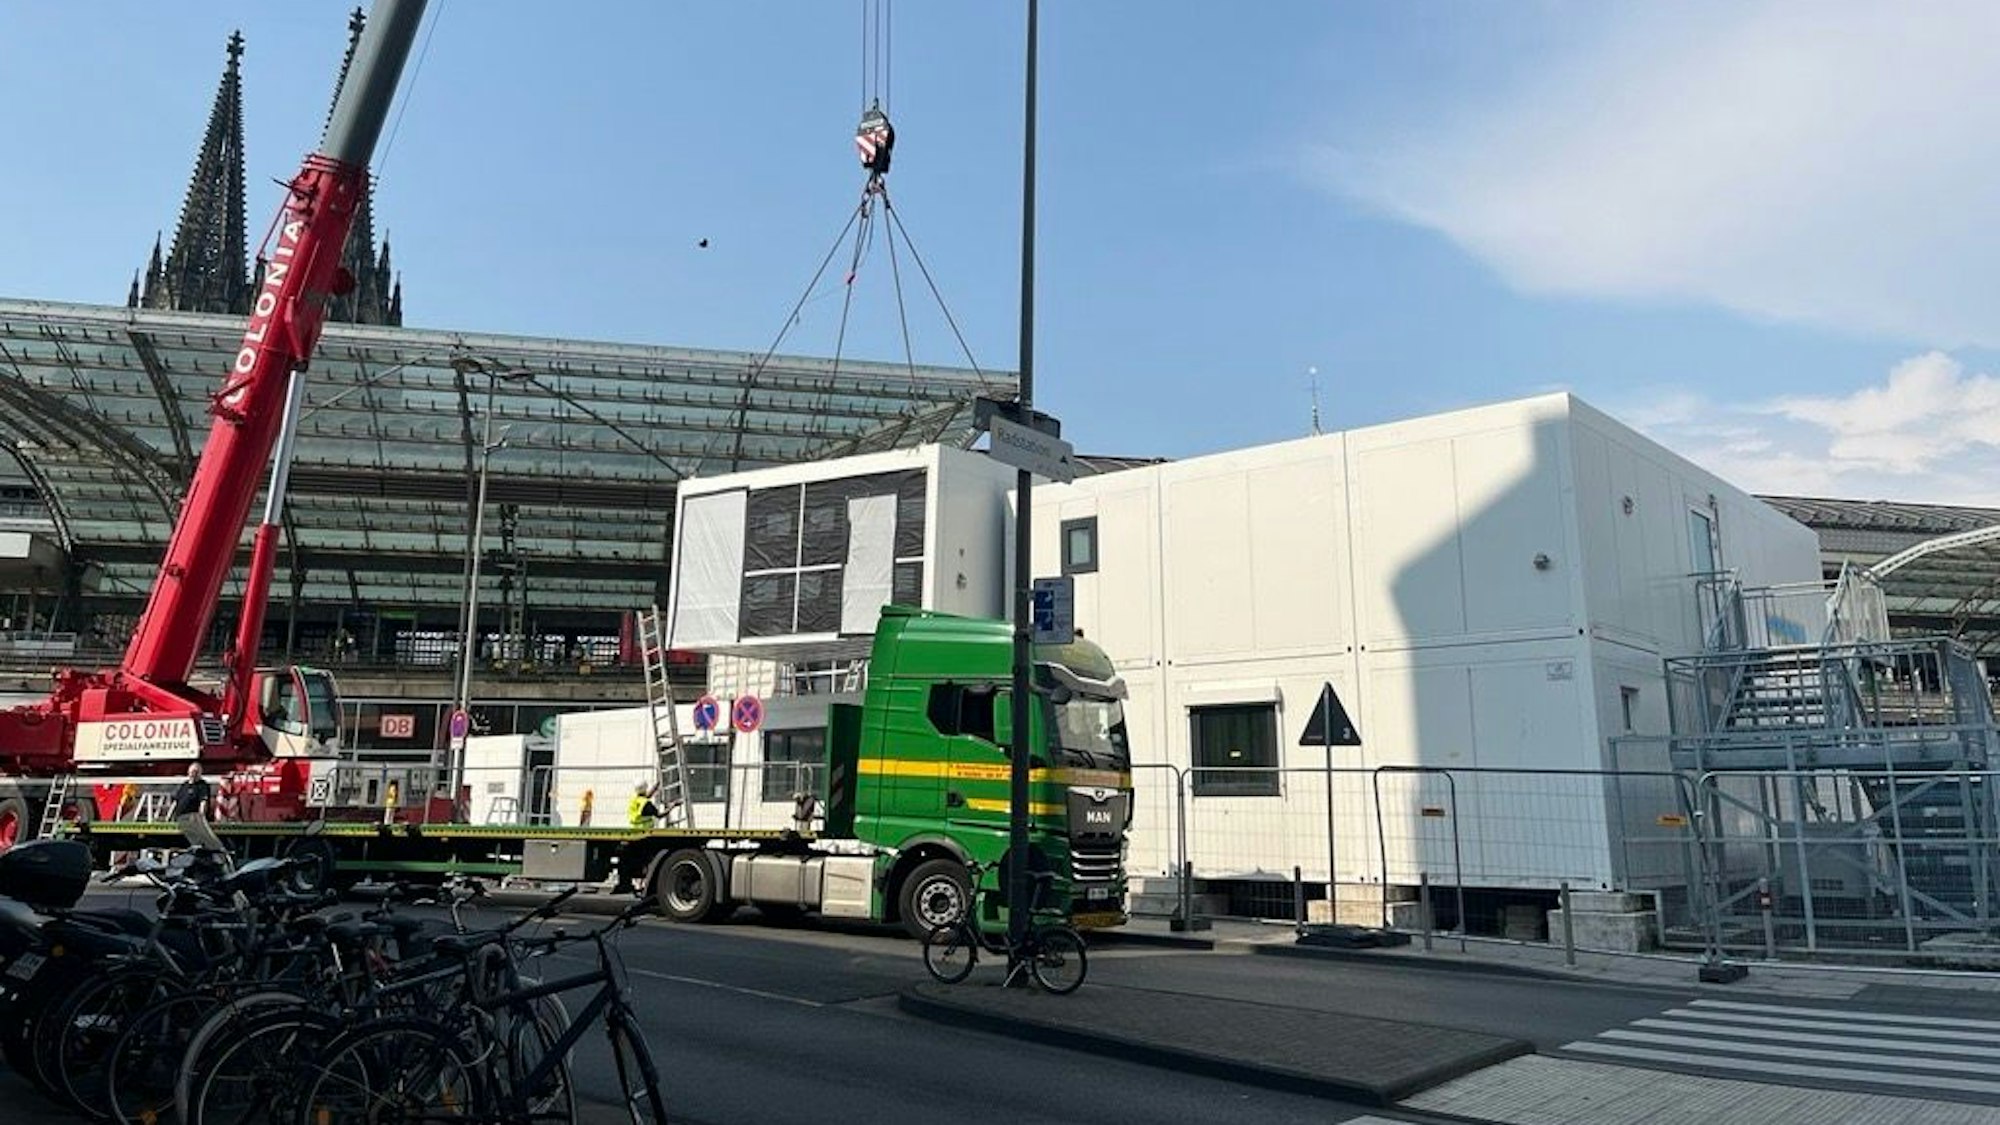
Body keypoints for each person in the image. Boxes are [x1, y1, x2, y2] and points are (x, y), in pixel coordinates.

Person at [171, 763, 228, 858]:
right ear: (188, 772)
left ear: (200, 773)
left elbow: (203, 802)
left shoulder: (202, 785)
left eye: (196, 772)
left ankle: (219, 856)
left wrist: (201, 817)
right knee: (194, 842)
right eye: (192, 771)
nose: (193, 773)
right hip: (181, 818)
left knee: (206, 839)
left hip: (193, 817)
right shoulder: (184, 785)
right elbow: (176, 800)